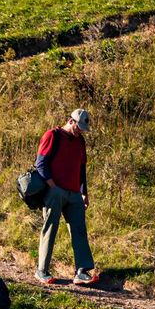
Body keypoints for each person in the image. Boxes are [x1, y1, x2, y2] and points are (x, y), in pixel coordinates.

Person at [34, 109, 98, 285]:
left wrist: (84, 192)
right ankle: (42, 270)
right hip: (54, 191)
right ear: (71, 121)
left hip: (74, 193)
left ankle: (82, 271)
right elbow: (40, 163)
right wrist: (52, 185)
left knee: (79, 230)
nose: (80, 131)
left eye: (83, 129)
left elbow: (82, 168)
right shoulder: (52, 135)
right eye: (79, 127)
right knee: (50, 229)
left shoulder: (80, 141)